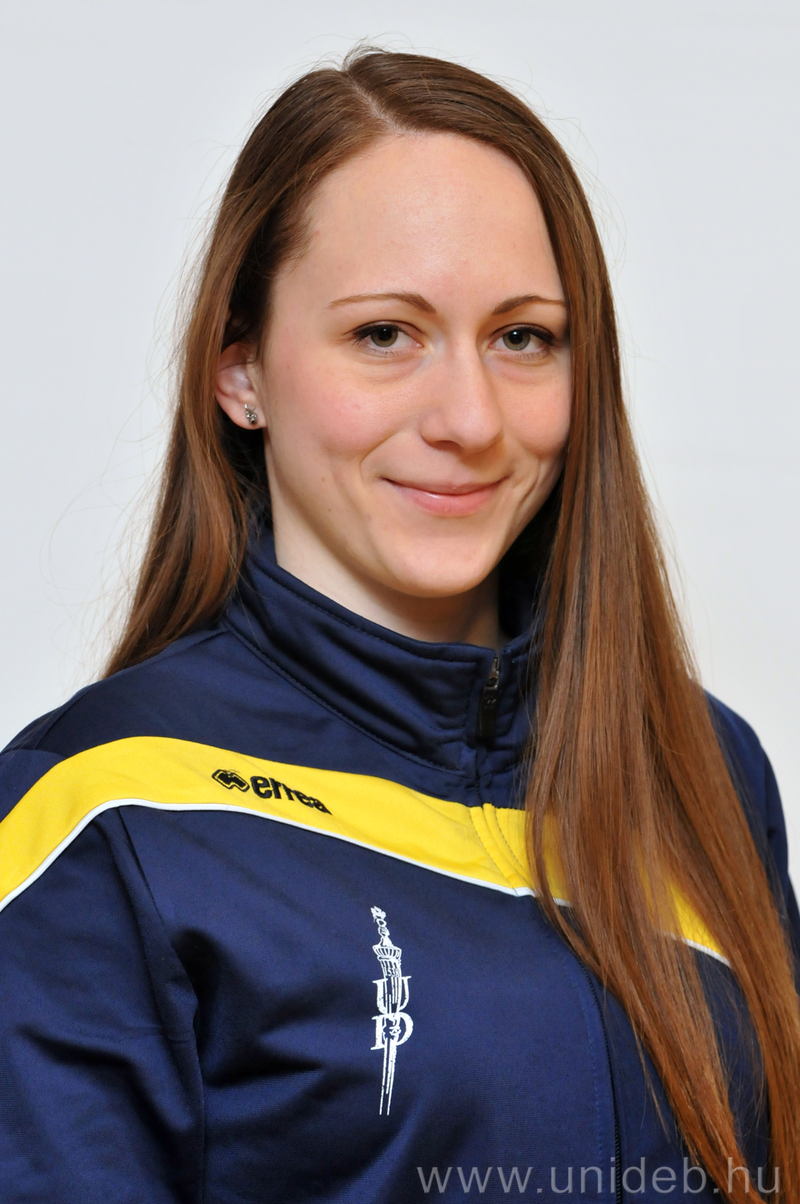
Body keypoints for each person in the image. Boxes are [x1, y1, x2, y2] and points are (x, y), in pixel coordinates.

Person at [0, 48, 798, 1204]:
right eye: (384, 334)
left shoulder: (701, 769)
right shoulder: (104, 812)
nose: (468, 417)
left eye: (522, 337)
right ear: (240, 372)